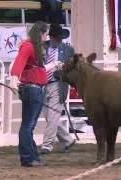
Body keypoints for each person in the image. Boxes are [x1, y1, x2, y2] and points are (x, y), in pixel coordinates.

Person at [10, 21, 61, 167]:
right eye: (46, 34)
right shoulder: (28, 46)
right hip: (32, 89)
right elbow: (19, 63)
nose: (47, 36)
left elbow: (38, 69)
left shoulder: (34, 47)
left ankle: (32, 156)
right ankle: (27, 158)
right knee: (28, 125)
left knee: (29, 125)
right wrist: (14, 78)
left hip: (36, 89)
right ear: (41, 33)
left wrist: (54, 64)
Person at [40, 23, 76, 154]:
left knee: (54, 115)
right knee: (49, 117)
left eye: (60, 38)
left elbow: (73, 68)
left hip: (58, 84)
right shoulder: (42, 48)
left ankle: (47, 145)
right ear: (51, 37)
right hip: (42, 85)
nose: (59, 41)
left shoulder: (68, 50)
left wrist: (64, 71)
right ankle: (68, 140)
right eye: (57, 38)